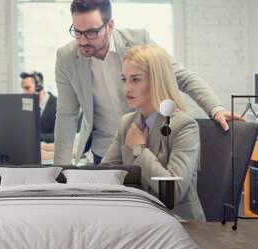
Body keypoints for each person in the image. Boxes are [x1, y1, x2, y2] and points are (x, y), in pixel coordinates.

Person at [54, 0, 243, 165]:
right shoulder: (67, 58)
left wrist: (216, 108)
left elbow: (182, 76)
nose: (83, 41)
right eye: (77, 32)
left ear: (110, 26)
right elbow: (66, 115)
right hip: (103, 150)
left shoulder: (138, 41)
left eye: (91, 33)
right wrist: (59, 172)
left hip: (147, 144)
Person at [101, 44, 205, 221]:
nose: (126, 88)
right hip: (138, 218)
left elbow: (173, 192)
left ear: (156, 81)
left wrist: (140, 149)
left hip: (179, 223)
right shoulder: (127, 122)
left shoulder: (184, 126)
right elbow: (104, 173)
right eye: (124, 79)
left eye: (135, 80)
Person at [20, 71, 57, 143]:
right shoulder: (29, 106)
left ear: (39, 87)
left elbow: (58, 136)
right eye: (23, 89)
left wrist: (34, 137)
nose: (24, 92)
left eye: (27, 88)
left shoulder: (57, 105)